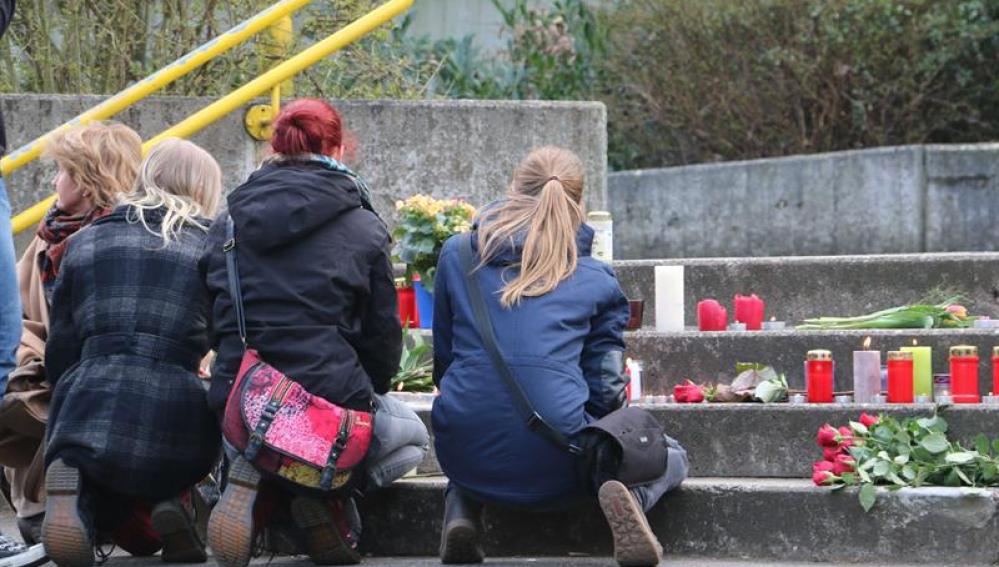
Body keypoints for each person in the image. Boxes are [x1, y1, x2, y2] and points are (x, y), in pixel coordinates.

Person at [431, 146, 689, 566]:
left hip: (463, 454)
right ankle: (629, 498)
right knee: (671, 452)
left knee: (478, 417)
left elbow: (445, 363)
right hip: (561, 469)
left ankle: (461, 509)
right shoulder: (593, 276)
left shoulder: (457, 255)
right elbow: (604, 391)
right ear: (579, 204)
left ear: (513, 190)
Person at [201, 98, 428, 567]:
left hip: (241, 395)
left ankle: (254, 487)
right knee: (412, 437)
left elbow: (211, 314)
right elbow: (383, 336)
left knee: (250, 422)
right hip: (330, 396)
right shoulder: (364, 226)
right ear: (339, 149)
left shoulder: (228, 220)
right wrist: (369, 392)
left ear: (275, 147)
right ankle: (324, 495)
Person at [41, 139, 224, 567]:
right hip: (176, 412)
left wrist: (69, 392)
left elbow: (61, 348)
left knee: (91, 458)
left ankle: (78, 494)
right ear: (203, 189)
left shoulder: (84, 242)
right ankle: (172, 499)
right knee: (171, 444)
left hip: (85, 404)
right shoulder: (208, 249)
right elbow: (224, 337)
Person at [0, 122, 143, 551]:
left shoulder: (123, 237)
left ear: (85, 180)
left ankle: (73, 509)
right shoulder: (47, 238)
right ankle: (52, 510)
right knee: (24, 388)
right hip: (53, 373)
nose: (53, 181)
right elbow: (20, 321)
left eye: (61, 171)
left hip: (109, 378)